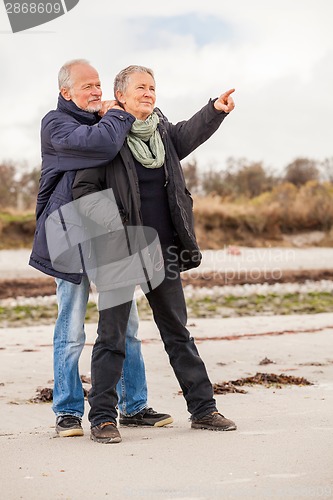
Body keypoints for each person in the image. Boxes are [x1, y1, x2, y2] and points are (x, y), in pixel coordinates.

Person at [72, 65, 237, 444]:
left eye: (152, 87)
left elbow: (189, 133)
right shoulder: (106, 137)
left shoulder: (162, 132)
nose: (148, 93)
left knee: (178, 333)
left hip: (165, 252)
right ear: (122, 96)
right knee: (111, 336)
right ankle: (101, 418)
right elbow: (83, 193)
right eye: (140, 88)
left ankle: (203, 409)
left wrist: (215, 109)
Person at [29, 59, 172, 438]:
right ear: (66, 93)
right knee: (71, 325)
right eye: (87, 86)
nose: (96, 91)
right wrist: (118, 114)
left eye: (98, 85)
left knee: (126, 324)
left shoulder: (105, 121)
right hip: (68, 232)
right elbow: (101, 144)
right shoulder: (57, 124)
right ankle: (68, 412)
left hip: (107, 230)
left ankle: (135, 404)